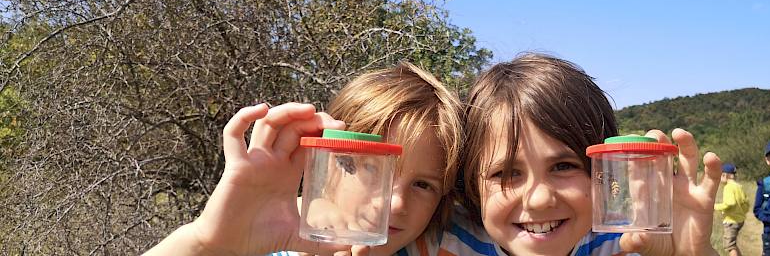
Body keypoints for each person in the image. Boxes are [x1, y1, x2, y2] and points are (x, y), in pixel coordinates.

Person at [145, 62, 463, 256]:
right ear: (330, 163)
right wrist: (207, 242)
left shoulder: (439, 246)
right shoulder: (269, 243)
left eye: (423, 184)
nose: (395, 204)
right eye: (372, 167)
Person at [435, 53, 723, 256]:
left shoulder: (629, 246)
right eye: (507, 173)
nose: (539, 199)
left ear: (602, 173)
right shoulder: (439, 243)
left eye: (563, 166)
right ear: (472, 184)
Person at [714, 163, 750, 256]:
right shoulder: (739, 186)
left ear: (725, 175)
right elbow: (746, 203)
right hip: (739, 220)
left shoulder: (728, 187)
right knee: (733, 244)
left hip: (731, 221)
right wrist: (742, 213)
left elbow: (730, 203)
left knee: (730, 246)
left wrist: (715, 206)